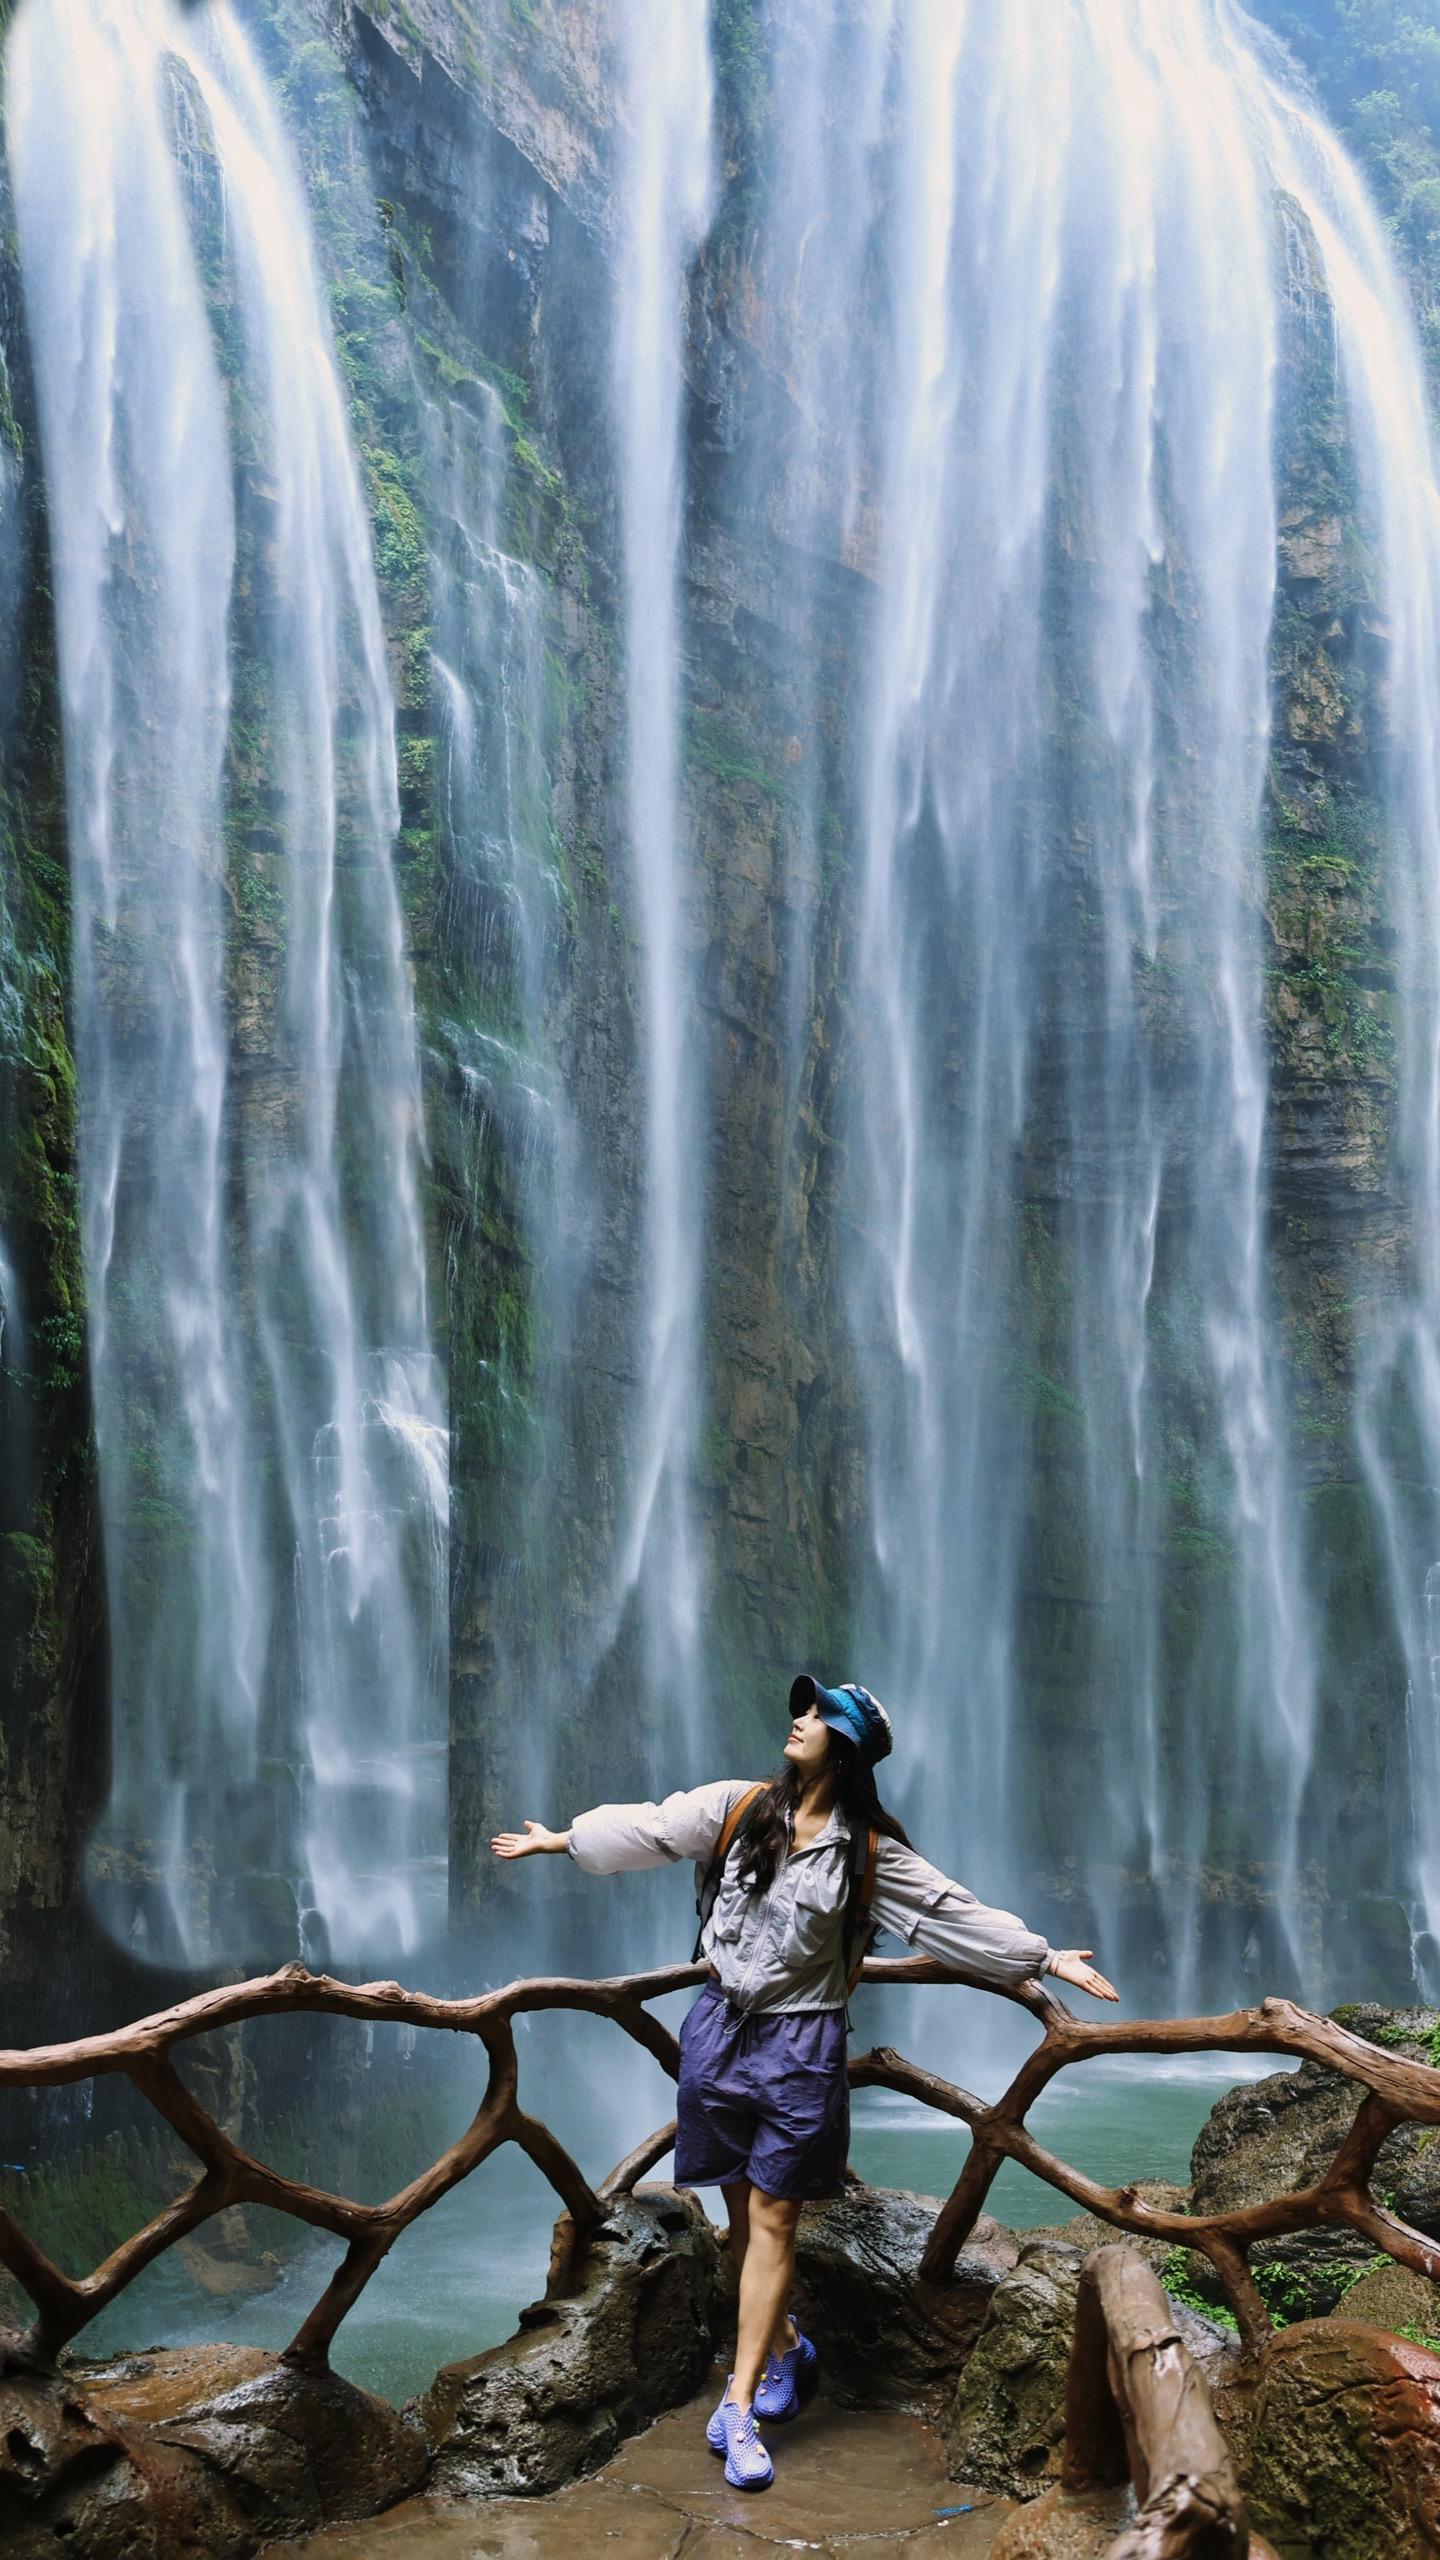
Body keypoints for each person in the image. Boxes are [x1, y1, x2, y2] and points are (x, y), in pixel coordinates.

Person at [492, 1672, 1117, 2492]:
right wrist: (564, 1840)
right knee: (743, 2216)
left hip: (800, 2043)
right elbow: (652, 1826)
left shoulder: (865, 1852)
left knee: (776, 2219)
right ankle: (785, 2344)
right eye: (805, 1706)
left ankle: (740, 2406)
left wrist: (1043, 1957)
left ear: (848, 1746)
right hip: (717, 2028)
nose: (801, 1718)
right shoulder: (737, 1808)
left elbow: (948, 1911)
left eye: (821, 1714)